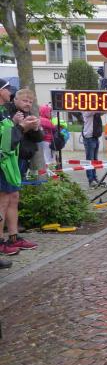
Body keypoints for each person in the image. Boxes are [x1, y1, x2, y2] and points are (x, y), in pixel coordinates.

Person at [0, 80, 38, 263]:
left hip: (10, 164)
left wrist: (25, 126)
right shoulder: (5, 111)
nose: (10, 92)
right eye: (7, 89)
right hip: (4, 163)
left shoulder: (3, 112)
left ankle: (13, 237)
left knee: (13, 198)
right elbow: (7, 142)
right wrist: (21, 127)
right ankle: (1, 242)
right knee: (3, 201)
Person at [9, 89, 43, 180]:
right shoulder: (7, 111)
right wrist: (15, 122)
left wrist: (36, 129)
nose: (28, 104)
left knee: (18, 183)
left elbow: (39, 139)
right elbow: (6, 134)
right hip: (12, 157)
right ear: (15, 99)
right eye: (25, 101)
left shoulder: (28, 114)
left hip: (25, 156)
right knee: (12, 184)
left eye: (30, 102)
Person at [82, 112, 104, 186]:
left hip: (95, 137)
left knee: (95, 160)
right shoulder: (86, 111)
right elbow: (94, 111)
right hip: (89, 138)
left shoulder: (95, 112)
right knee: (89, 160)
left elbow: (103, 111)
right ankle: (91, 180)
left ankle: (94, 178)